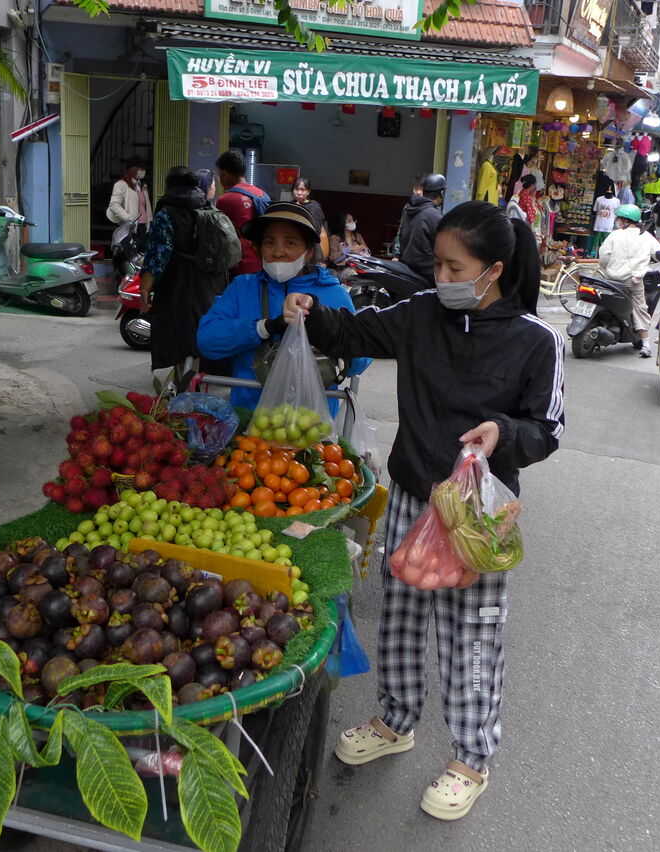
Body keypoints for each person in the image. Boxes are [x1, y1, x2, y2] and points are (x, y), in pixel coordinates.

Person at [281, 200, 563, 822]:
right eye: (436, 264)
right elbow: (352, 334)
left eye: (453, 267)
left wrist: (503, 433)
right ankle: (396, 720)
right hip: (414, 491)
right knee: (402, 618)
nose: (441, 277)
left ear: (493, 271)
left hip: (475, 515)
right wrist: (311, 312)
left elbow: (547, 429)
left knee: (472, 632)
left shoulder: (535, 340)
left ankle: (472, 759)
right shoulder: (420, 313)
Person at [196, 202, 369, 411]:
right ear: (259, 248)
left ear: (308, 251)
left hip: (313, 423)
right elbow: (207, 340)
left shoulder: (333, 293)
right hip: (249, 420)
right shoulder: (242, 288)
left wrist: (330, 334)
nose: (278, 252)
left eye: (290, 243)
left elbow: (362, 357)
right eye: (269, 243)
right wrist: (263, 327)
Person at [140, 167, 228, 374]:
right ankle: (192, 382)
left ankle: (185, 387)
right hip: (209, 285)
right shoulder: (208, 207)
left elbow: (157, 257)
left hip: (178, 286)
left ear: (169, 186)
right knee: (197, 339)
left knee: (180, 341)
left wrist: (144, 289)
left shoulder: (167, 213)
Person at [597, 204, 660, 358]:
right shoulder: (646, 236)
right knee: (640, 308)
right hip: (632, 281)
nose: (617, 221)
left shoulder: (615, 235)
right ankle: (646, 344)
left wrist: (607, 267)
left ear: (625, 220)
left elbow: (604, 257)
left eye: (619, 219)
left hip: (610, 279)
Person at [215, 150, 270, 276]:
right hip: (264, 262)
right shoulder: (263, 195)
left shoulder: (225, 200)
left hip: (239, 264)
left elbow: (221, 237)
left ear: (225, 174)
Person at [399, 173, 447, 283]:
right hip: (427, 271)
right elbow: (444, 246)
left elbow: (400, 235)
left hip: (408, 266)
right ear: (441, 193)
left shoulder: (409, 209)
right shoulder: (434, 216)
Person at [107, 157, 153, 248]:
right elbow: (114, 205)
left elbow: (145, 208)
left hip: (144, 226)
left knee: (142, 251)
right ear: (133, 169)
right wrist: (129, 218)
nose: (143, 172)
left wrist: (150, 222)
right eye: (141, 169)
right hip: (130, 227)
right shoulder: (121, 185)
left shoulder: (143, 186)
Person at [292, 177, 330, 259]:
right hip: (293, 247)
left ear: (308, 192)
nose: (299, 192)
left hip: (310, 250)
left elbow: (316, 231)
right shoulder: (290, 205)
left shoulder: (314, 208)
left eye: (303, 190)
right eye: (296, 189)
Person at [590, 187, 618, 257]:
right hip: (598, 225)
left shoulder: (616, 201)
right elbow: (595, 209)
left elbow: (617, 213)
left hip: (609, 226)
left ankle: (604, 256)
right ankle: (593, 256)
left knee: (606, 243)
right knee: (596, 243)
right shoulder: (599, 199)